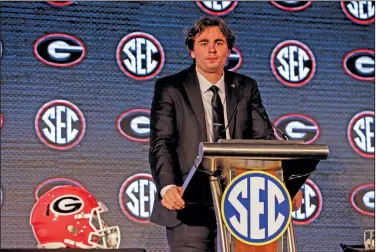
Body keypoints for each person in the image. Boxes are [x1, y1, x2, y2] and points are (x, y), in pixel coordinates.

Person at [149, 16, 302, 252]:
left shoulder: (245, 87)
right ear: (192, 51)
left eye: (219, 43)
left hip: (244, 200)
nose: (212, 49)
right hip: (189, 202)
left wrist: (286, 185)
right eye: (203, 43)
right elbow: (162, 142)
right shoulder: (171, 88)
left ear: (229, 49)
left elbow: (264, 141)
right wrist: (167, 186)